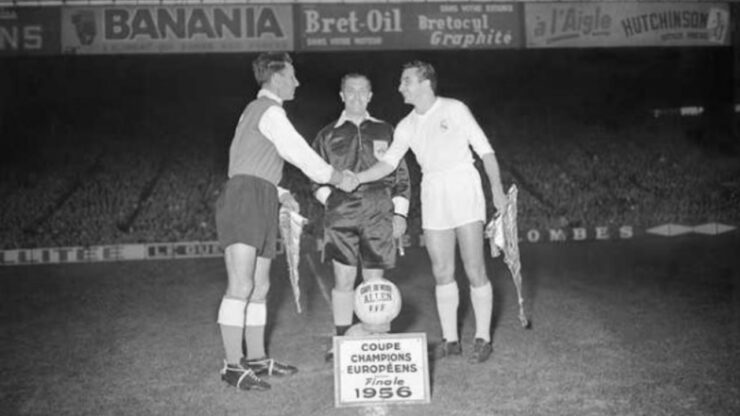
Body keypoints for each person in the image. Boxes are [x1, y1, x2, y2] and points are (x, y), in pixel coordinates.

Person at [214, 52, 357, 391]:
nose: (297, 81)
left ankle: (258, 358)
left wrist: (279, 193)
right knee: (241, 285)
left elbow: (251, 159)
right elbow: (300, 153)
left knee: (261, 286)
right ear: (276, 77)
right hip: (245, 197)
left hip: (260, 195)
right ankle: (232, 366)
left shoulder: (257, 111)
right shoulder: (270, 111)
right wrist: (336, 176)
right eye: (292, 75)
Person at [354, 61, 507, 364]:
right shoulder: (406, 125)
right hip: (433, 190)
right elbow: (388, 163)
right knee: (441, 270)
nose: (400, 87)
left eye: (406, 81)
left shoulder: (455, 109)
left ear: (425, 83)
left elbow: (485, 150)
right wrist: (357, 177)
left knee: (474, 267)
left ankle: (483, 337)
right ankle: (451, 339)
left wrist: (497, 190)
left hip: (463, 185)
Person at [311, 73, 411, 361]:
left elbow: (401, 176)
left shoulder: (386, 130)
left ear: (370, 96)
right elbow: (314, 177)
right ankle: (342, 339)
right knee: (343, 278)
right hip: (341, 215)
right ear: (341, 95)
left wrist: (400, 213)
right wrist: (332, 201)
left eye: (362, 92)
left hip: (379, 212)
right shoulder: (327, 134)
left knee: (373, 283)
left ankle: (375, 339)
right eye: (350, 92)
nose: (356, 97)